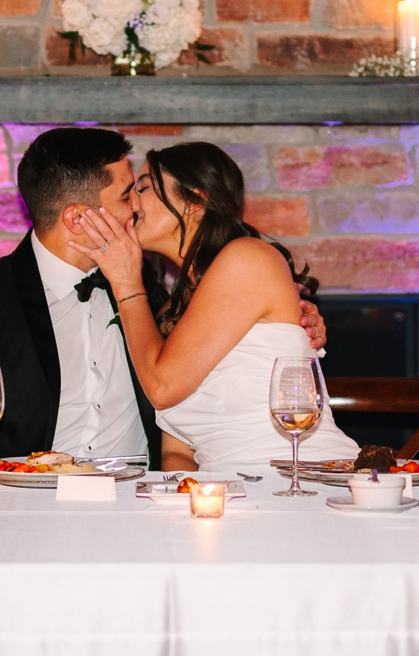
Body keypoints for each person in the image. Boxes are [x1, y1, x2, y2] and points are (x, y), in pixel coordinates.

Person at [0, 127, 327, 469]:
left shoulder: (146, 285)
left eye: (142, 191)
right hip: (29, 507)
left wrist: (293, 320)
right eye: (127, 194)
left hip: (149, 497)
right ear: (78, 218)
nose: (134, 207)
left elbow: (177, 378)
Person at [71, 141, 360, 471]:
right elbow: (177, 450)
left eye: (145, 187)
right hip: (228, 496)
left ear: (195, 201)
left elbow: (162, 388)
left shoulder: (248, 259)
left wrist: (126, 282)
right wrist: (184, 501)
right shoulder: (174, 311)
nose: (132, 202)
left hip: (298, 479)